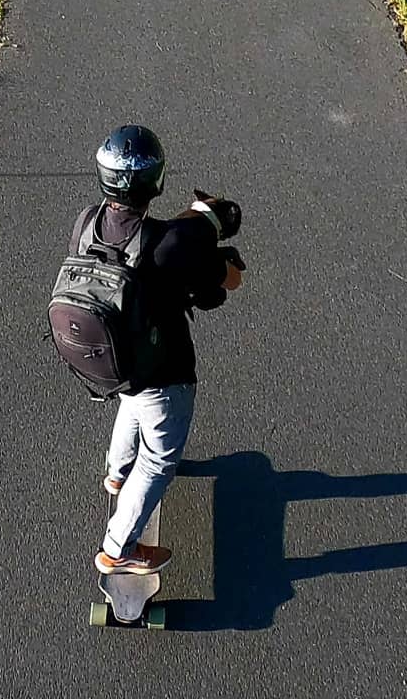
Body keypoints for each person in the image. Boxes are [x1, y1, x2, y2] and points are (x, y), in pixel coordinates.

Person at [72, 125, 246, 576]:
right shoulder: (170, 244)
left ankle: (116, 473)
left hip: (113, 360)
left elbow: (155, 245)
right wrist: (222, 260)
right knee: (159, 460)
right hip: (163, 370)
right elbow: (223, 285)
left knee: (131, 403)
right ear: (157, 180)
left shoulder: (87, 221)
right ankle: (117, 549)